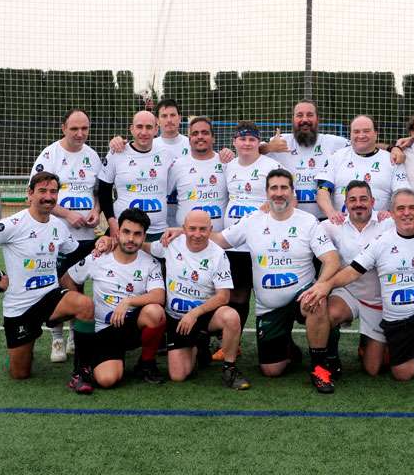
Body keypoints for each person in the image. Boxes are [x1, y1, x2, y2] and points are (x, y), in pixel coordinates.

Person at [176, 168, 341, 393]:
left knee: (317, 300)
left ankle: (320, 367)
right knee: (271, 370)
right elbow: (220, 240)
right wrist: (183, 232)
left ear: (292, 192)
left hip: (301, 296)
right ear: (266, 192)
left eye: (284, 188)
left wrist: (321, 286)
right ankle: (288, 347)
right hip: (269, 307)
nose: (279, 193)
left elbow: (331, 259)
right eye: (274, 188)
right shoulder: (252, 220)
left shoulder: (308, 221)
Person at [300, 188, 414, 402]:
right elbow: (352, 271)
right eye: (401, 209)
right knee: (396, 373)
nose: (406, 213)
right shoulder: (381, 241)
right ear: (392, 213)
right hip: (394, 317)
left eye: (412, 208)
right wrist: (326, 285)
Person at [0, 171, 95, 391]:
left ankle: (82, 372)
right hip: (20, 307)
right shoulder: (13, 224)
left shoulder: (58, 225)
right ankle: (24, 345)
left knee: (85, 305)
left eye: (53, 192)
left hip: (50, 297)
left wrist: (100, 241)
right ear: (30, 194)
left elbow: (73, 253)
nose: (48, 197)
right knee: (20, 374)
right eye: (42, 191)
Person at [319, 180, 414, 376]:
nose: (358, 204)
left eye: (363, 199)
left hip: (380, 303)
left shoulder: (388, 221)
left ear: (373, 201)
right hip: (349, 293)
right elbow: (305, 229)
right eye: (353, 200)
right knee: (329, 313)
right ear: (346, 202)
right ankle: (331, 359)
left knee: (373, 369)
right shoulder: (333, 224)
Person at [62, 208, 167, 387]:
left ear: (144, 236)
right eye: (126, 232)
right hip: (103, 330)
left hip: (131, 328)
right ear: (117, 232)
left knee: (155, 312)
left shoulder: (151, 262)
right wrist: (83, 311)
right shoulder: (98, 257)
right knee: (107, 380)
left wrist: (128, 301)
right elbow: (67, 280)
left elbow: (159, 296)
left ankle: (146, 363)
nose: (131, 238)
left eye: (137, 234)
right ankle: (97, 360)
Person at [146, 210, 251, 390]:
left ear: (210, 229)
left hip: (203, 316)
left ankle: (230, 368)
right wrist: (112, 241)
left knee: (231, 316)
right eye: (192, 228)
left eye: (203, 229)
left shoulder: (218, 254)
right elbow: (143, 246)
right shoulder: (170, 244)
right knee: (178, 376)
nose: (197, 234)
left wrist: (195, 313)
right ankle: (198, 345)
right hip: (177, 319)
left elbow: (223, 296)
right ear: (184, 228)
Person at [30, 108, 102, 364]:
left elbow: (98, 193)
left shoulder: (92, 156)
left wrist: (96, 211)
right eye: (74, 128)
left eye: (84, 128)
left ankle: (74, 334)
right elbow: (39, 196)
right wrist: (68, 214)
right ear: (63, 128)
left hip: (85, 236)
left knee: (78, 285)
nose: (80, 133)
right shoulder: (50, 155)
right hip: (55, 237)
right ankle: (57, 337)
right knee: (55, 286)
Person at [219, 121, 283, 357]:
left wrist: (273, 207)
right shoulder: (227, 166)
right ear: (234, 142)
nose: (247, 143)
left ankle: (279, 342)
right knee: (238, 294)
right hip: (234, 244)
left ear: (258, 142)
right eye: (242, 139)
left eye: (252, 139)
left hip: (263, 244)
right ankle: (231, 345)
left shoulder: (272, 166)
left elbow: (289, 197)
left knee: (270, 294)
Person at [260, 100, 350, 218]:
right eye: (299, 115)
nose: (305, 119)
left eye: (310, 115)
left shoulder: (334, 142)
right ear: (293, 119)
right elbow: (249, 150)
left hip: (326, 219)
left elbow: (362, 145)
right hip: (290, 219)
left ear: (317, 119)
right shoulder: (280, 141)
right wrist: (268, 147)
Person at [109, 98, 190, 227]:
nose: (169, 120)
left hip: (183, 214)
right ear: (157, 120)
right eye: (164, 116)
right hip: (155, 221)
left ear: (180, 118)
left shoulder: (192, 144)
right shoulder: (149, 144)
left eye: (173, 115)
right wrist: (116, 141)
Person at [316, 114, 410, 224]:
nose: (361, 135)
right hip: (342, 226)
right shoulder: (336, 157)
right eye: (356, 132)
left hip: (380, 227)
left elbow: (403, 194)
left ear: (376, 133)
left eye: (366, 131)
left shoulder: (392, 160)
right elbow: (322, 191)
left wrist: (391, 212)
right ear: (350, 134)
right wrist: (331, 213)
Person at [98, 110, 172, 242]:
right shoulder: (116, 153)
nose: (144, 132)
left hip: (157, 232)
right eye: (139, 127)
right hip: (124, 231)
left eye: (149, 127)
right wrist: (112, 222)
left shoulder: (166, 154)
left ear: (156, 129)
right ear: (131, 129)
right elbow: (103, 191)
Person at [165, 116, 229, 232]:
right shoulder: (178, 165)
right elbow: (162, 194)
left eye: (205, 133)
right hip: (185, 236)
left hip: (218, 238)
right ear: (189, 140)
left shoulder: (226, 163)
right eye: (195, 133)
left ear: (213, 138)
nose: (200, 136)